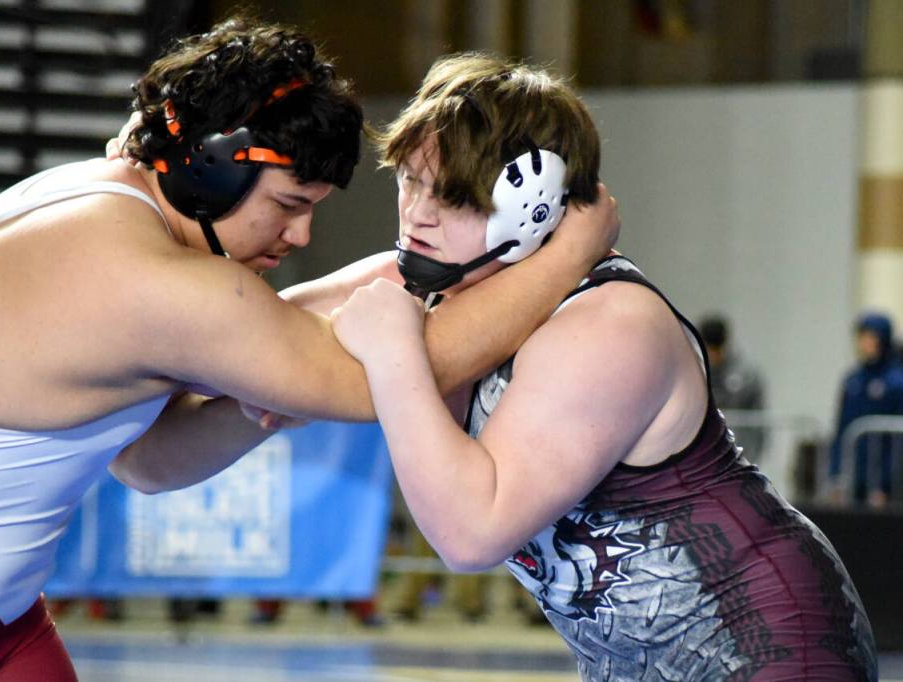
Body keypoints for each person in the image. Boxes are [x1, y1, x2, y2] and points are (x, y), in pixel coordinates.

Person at [0, 17, 619, 681]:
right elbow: (385, 383)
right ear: (213, 166)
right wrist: (565, 257)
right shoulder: (152, 281)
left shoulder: (100, 208)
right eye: (288, 207)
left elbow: (148, 460)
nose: (297, 238)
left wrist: (263, 400)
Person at [330, 53, 878, 680]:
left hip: (765, 645)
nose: (415, 214)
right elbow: (272, 332)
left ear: (531, 204)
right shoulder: (447, 282)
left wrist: (396, 357)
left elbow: (470, 534)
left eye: (450, 195)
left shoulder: (608, 325)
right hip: (634, 659)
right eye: (408, 180)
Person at [829, 311, 903, 508]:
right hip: (855, 476)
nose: (865, 343)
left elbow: (898, 441)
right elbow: (841, 430)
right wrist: (836, 475)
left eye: (871, 337)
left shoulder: (896, 382)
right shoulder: (853, 380)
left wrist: (885, 485)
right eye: (862, 337)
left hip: (885, 482)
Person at [697, 314, 767, 459]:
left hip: (737, 449)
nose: (714, 356)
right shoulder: (693, 371)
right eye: (710, 350)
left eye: (717, 350)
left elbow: (757, 417)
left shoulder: (746, 374)